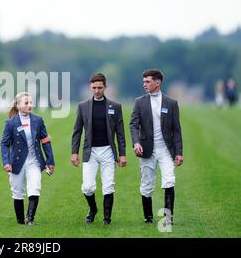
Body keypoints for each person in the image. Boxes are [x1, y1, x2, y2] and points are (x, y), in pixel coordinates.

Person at [71, 73, 127, 225]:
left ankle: (107, 218)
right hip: (90, 152)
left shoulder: (115, 107)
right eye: (94, 87)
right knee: (88, 187)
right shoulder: (83, 106)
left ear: (105, 87)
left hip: (108, 151)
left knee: (108, 185)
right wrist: (74, 153)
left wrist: (122, 155)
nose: (97, 91)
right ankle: (93, 209)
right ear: (90, 87)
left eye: (100, 88)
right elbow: (77, 131)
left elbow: (120, 133)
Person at [129, 69, 183, 225]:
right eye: (144, 81)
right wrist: (136, 142)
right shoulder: (139, 102)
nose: (144, 84)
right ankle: (148, 217)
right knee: (146, 185)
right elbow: (133, 124)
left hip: (166, 149)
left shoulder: (171, 103)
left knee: (169, 180)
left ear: (157, 83)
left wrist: (179, 152)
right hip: (146, 149)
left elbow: (176, 130)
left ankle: (168, 217)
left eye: (147, 81)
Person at [0, 92, 55, 225]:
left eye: (31, 102)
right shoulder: (10, 123)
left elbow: (45, 141)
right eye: (26, 103)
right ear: (18, 105)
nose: (30, 105)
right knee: (18, 192)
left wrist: (50, 160)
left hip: (34, 161)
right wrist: (6, 162)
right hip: (16, 162)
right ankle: (20, 222)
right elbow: (4, 143)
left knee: (35, 187)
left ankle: (30, 219)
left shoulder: (38, 120)